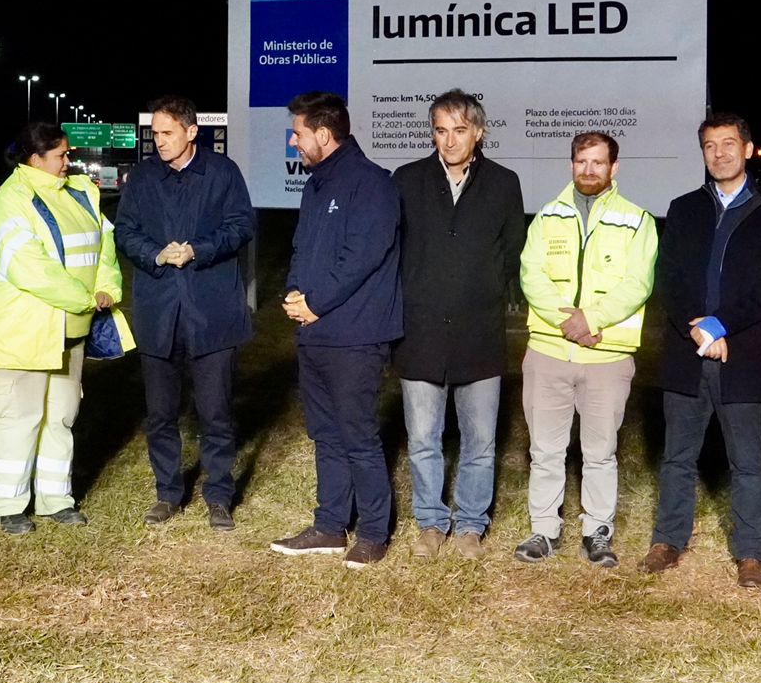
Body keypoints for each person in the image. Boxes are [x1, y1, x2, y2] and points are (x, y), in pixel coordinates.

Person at [637, 113, 761, 588]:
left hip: (744, 354)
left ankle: (750, 552)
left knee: (745, 459)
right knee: (677, 455)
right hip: (688, 355)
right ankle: (668, 540)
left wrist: (722, 325)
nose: (720, 153)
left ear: (748, 149)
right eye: (710, 146)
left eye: (729, 144)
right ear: (703, 153)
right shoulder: (684, 208)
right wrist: (700, 331)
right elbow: (669, 277)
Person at [268, 92, 402, 569]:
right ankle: (328, 527)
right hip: (316, 333)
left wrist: (316, 303)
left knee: (357, 434)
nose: (294, 141)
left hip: (356, 335)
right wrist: (293, 294)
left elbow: (361, 258)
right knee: (325, 434)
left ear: (324, 135)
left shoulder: (371, 184)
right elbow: (303, 248)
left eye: (299, 133)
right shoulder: (316, 184)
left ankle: (372, 532)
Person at [0, 122, 131, 534]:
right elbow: (33, 270)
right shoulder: (10, 203)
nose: (69, 162)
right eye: (61, 155)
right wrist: (87, 299)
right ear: (35, 159)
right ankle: (7, 505)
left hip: (69, 331)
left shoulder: (81, 193)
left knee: (61, 416)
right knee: (17, 417)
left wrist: (107, 287)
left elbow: (104, 247)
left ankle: (55, 499)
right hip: (22, 334)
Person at [391, 89, 523, 560]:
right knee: (423, 439)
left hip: (479, 334)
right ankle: (430, 521)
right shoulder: (405, 180)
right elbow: (395, 251)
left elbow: (512, 253)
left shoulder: (505, 184)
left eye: (460, 130)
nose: (449, 141)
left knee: (480, 441)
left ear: (479, 133)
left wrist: (480, 287)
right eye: (441, 130)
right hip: (420, 332)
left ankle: (470, 525)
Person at [515, 131, 655, 568]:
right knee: (545, 450)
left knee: (599, 453)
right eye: (581, 161)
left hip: (607, 359)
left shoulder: (637, 221)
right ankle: (544, 531)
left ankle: (598, 532)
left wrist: (590, 320)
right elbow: (530, 275)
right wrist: (568, 324)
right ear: (571, 164)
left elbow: (638, 283)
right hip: (548, 354)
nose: (588, 170)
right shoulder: (547, 218)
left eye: (598, 162)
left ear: (614, 168)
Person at [115, 95, 255, 531]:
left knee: (215, 412)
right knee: (160, 413)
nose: (158, 141)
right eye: (154, 133)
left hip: (211, 313)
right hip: (159, 313)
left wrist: (197, 250)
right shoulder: (142, 177)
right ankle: (168, 493)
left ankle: (218, 495)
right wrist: (155, 255)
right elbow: (125, 231)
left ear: (192, 132)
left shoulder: (222, 173)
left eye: (167, 132)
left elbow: (241, 225)